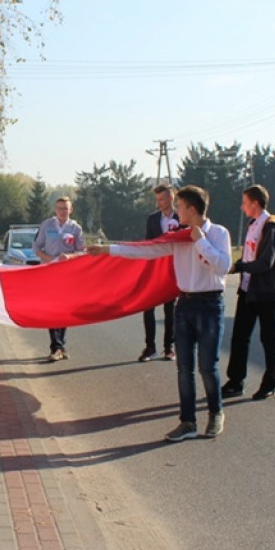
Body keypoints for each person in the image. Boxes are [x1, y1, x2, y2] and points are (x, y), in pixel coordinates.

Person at [88, 185, 231, 441]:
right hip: (184, 304)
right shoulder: (178, 236)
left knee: (207, 367)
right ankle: (188, 422)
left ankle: (216, 412)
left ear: (192, 209)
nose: (176, 211)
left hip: (210, 305)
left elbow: (223, 266)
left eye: (180, 207)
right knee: (184, 368)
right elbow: (148, 249)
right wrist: (108, 249)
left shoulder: (218, 233)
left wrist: (200, 240)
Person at [222, 185, 275, 401]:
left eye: (245, 203)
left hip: (266, 292)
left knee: (268, 339)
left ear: (255, 203)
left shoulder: (271, 227)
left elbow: (265, 262)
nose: (242, 207)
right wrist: (236, 265)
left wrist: (240, 267)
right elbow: (250, 256)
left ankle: (270, 383)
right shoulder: (253, 225)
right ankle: (235, 381)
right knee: (239, 337)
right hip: (248, 290)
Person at [32, 196, 85, 361]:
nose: (62, 211)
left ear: (71, 210)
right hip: (49, 272)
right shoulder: (46, 225)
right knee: (51, 309)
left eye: (65, 208)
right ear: (55, 210)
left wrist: (70, 256)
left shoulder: (75, 228)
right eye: (60, 208)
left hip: (67, 274)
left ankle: (60, 345)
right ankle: (56, 347)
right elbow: (36, 247)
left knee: (64, 309)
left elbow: (82, 251)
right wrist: (48, 259)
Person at [140, 185, 180, 362]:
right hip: (155, 268)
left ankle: (169, 348)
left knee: (170, 309)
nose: (159, 203)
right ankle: (150, 347)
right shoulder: (153, 219)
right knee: (148, 307)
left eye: (162, 199)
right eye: (157, 200)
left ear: (171, 198)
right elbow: (148, 242)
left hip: (173, 269)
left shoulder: (181, 217)